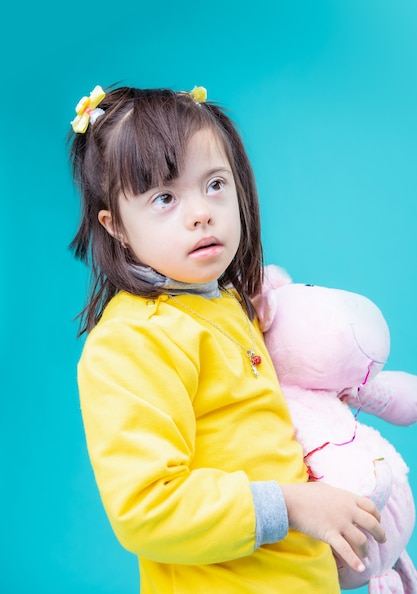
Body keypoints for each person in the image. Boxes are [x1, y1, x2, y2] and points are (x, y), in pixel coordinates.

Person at [68, 83, 386, 593]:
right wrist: (295, 504)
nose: (201, 212)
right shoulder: (131, 342)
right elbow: (148, 507)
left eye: (215, 184)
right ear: (117, 227)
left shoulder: (224, 306)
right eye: (165, 198)